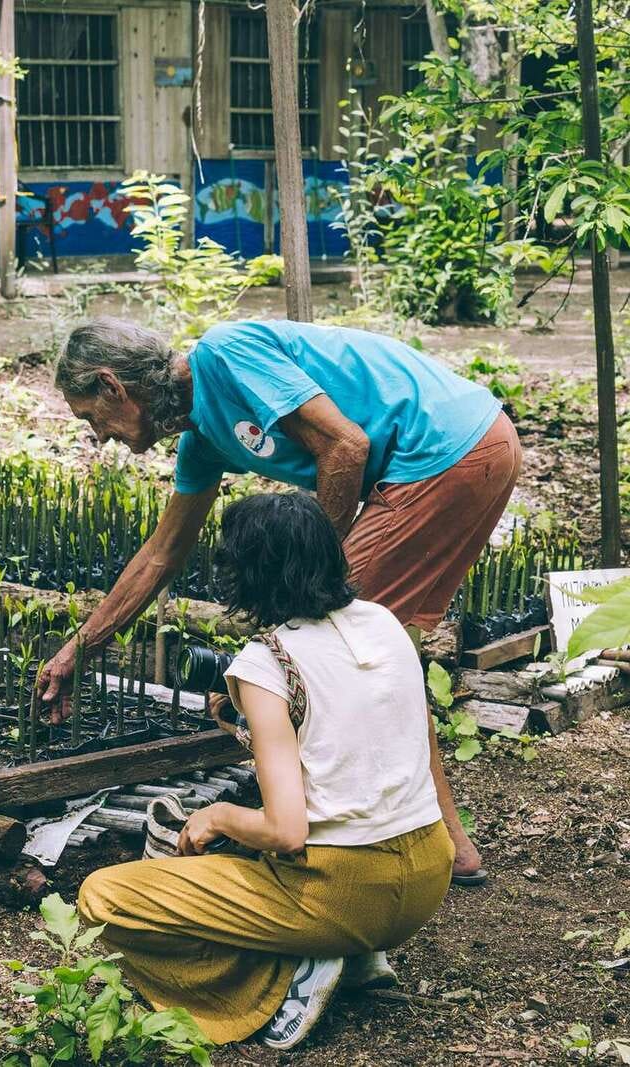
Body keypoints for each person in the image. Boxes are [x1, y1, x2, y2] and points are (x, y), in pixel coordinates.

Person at [44, 316, 523, 885]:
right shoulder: (201, 442)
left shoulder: (225, 353)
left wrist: (302, 582)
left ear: (112, 387)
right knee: (374, 658)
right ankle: (445, 846)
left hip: (443, 451)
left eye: (90, 417)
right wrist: (80, 648)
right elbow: (160, 556)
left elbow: (346, 446)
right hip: (470, 446)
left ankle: (338, 844)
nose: (99, 436)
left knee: (327, 652)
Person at [78, 492, 455, 1050]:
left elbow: (286, 831)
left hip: (343, 891)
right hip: (428, 873)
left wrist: (219, 815)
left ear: (249, 572)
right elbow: (352, 732)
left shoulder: (267, 661)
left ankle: (282, 979)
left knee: (103, 896)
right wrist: (250, 723)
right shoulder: (382, 621)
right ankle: (354, 957)